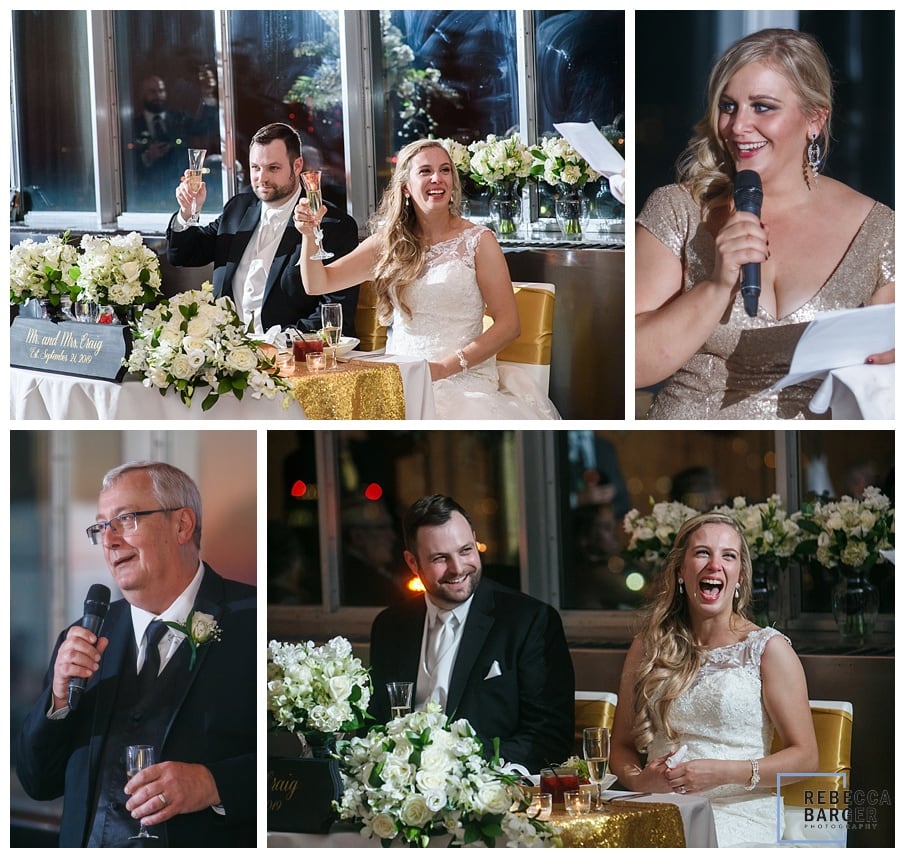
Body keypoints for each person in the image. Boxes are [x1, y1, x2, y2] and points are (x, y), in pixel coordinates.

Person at [635, 28, 894, 419]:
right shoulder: (677, 209)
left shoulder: (880, 231)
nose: (738, 126)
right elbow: (634, 367)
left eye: (762, 107)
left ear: (815, 119)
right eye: (728, 106)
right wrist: (718, 284)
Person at [16, 462, 255, 847]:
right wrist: (57, 700)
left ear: (182, 525)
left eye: (125, 519)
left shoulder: (255, 622)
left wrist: (213, 785)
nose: (108, 540)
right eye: (99, 527)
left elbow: (293, 769)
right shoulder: (83, 636)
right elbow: (37, 782)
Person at [292, 139, 559, 419]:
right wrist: (308, 235)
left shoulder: (479, 241)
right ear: (405, 186)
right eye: (425, 171)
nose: (437, 178)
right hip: (401, 376)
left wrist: (443, 368)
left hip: (461, 380)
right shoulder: (389, 243)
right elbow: (317, 284)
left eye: (445, 170)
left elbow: (509, 326)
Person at [610, 512, 818, 846]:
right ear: (681, 570)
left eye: (728, 556)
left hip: (737, 814)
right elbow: (620, 746)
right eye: (702, 553)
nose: (714, 565)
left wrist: (723, 772)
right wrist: (641, 781)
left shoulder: (767, 650)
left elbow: (806, 758)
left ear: (739, 577)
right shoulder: (647, 646)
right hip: (656, 807)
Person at [368, 494, 574, 772]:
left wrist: (464, 767)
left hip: (487, 787)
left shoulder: (528, 621)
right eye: (441, 558)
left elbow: (548, 738)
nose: (458, 568)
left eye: (466, 550)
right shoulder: (390, 626)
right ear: (413, 563)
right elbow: (375, 724)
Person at [167, 122, 359, 337]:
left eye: (273, 168)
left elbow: (334, 309)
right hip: (228, 352)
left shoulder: (333, 225)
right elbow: (183, 255)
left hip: (292, 356)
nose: (262, 178)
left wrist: (281, 342)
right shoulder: (238, 209)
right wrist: (187, 213)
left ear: (297, 166)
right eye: (256, 168)